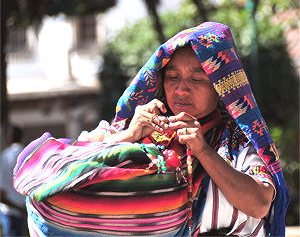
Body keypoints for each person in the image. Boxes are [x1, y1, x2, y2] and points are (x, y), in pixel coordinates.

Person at [14, 22, 289, 237]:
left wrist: (203, 150)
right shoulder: (137, 132)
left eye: (197, 78)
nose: (181, 89)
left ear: (219, 86)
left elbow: (260, 203)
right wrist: (128, 136)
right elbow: (57, 173)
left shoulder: (237, 141)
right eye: (172, 77)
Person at [1, 124, 28, 236]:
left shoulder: (5, 156)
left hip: (10, 212)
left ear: (9, 137)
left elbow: (1, 194)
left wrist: (18, 208)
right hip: (29, 211)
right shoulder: (28, 154)